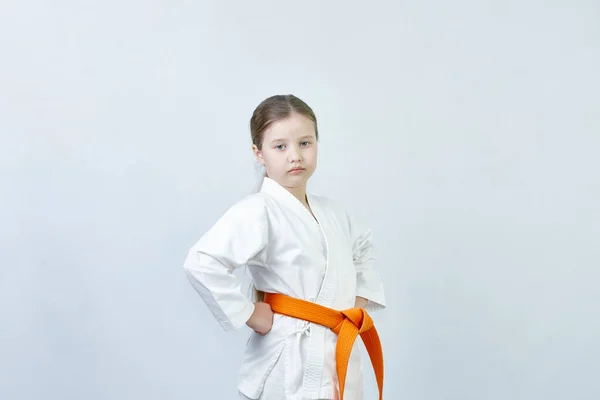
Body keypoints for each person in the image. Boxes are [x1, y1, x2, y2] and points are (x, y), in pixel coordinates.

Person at [183, 94, 386, 400]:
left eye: (305, 143)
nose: (295, 156)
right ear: (259, 153)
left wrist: (351, 302)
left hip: (336, 349)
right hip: (289, 360)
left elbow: (362, 248)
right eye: (280, 146)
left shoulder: (334, 212)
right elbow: (202, 262)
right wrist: (250, 313)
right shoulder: (258, 209)